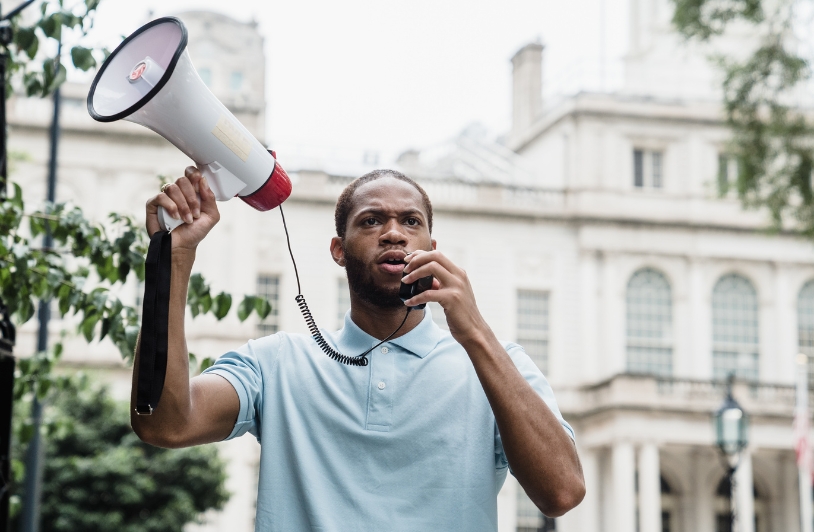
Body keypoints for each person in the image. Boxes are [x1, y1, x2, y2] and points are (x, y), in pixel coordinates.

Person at [131, 166, 585, 531]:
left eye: (411, 221)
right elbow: (164, 424)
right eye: (371, 220)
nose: (394, 233)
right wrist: (173, 258)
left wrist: (475, 334)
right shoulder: (274, 363)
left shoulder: (500, 365)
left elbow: (562, 493)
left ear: (432, 247)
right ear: (339, 250)